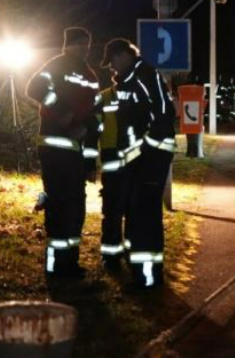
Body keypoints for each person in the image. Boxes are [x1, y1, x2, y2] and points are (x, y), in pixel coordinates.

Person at [26, 27, 100, 277]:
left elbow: (93, 122)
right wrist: (64, 114)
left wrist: (90, 164)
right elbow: (34, 88)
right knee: (58, 207)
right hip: (55, 150)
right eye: (79, 44)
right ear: (67, 45)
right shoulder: (56, 66)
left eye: (86, 44)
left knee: (75, 208)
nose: (84, 49)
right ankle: (54, 267)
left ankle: (70, 264)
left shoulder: (90, 75)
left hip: (76, 155)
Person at [101, 38, 176, 289]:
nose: (112, 68)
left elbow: (164, 115)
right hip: (138, 160)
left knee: (144, 217)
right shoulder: (129, 79)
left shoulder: (145, 75)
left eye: (112, 61)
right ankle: (140, 273)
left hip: (151, 159)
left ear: (124, 55)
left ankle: (147, 279)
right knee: (135, 214)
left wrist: (144, 149)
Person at [96, 73, 128, 271]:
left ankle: (116, 255)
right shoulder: (103, 97)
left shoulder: (138, 96)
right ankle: (111, 255)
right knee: (113, 210)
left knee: (124, 209)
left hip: (131, 157)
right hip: (113, 156)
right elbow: (94, 129)